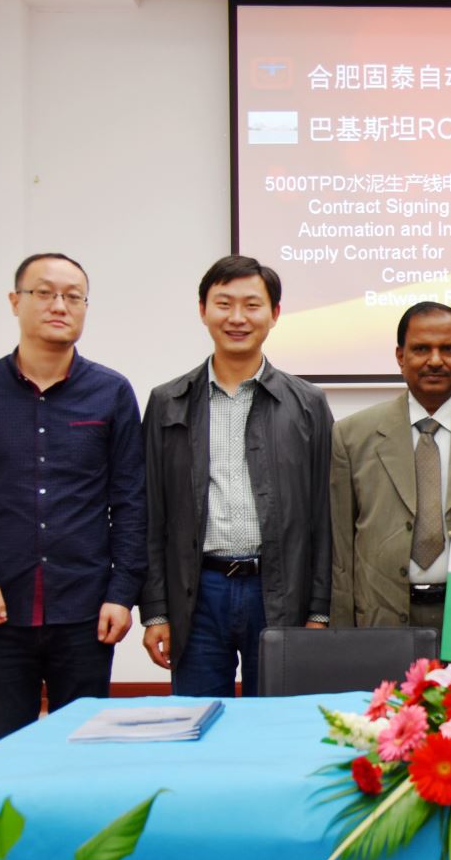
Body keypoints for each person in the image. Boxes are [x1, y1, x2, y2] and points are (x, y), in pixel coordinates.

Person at [0, 253, 146, 748]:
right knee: (2, 754)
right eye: (44, 293)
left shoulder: (111, 392)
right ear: (15, 301)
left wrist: (122, 592)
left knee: (81, 754)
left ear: (85, 307)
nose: (59, 305)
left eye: (73, 296)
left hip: (87, 612)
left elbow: (131, 501)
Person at [140, 255, 334, 696]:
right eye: (224, 304)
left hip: (280, 590)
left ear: (275, 314)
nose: (237, 318)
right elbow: (151, 512)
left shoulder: (307, 404)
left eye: (252, 305)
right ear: (203, 310)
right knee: (200, 720)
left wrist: (319, 610)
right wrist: (156, 610)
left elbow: (325, 514)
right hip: (198, 593)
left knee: (276, 722)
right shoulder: (168, 402)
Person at [329, 302, 451, 644]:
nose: (435, 360)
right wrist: (340, 637)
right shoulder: (352, 436)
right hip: (379, 621)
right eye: (421, 349)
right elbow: (341, 551)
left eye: (448, 349)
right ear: (400, 356)